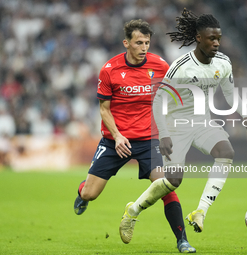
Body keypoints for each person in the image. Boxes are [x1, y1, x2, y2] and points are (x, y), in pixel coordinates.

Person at [73, 19, 196, 253]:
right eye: (139, 43)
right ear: (126, 43)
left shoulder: (160, 66)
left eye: (147, 43)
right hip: (115, 141)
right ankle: (82, 192)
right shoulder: (110, 70)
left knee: (166, 186)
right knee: (91, 193)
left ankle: (182, 240)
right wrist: (118, 136)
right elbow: (104, 109)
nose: (144, 48)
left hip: (149, 140)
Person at [152, 9, 247, 233]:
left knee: (226, 152)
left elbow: (230, 94)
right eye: (212, 38)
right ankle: (133, 210)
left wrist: (246, 115)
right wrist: (163, 134)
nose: (217, 43)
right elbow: (158, 100)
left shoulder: (223, 63)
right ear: (199, 38)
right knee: (173, 181)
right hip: (176, 125)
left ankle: (200, 211)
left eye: (219, 38)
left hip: (202, 122)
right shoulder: (181, 67)